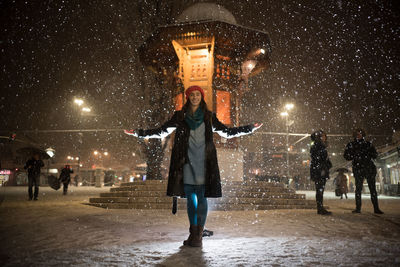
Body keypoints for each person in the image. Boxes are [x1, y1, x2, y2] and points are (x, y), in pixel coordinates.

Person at [124, 85, 262, 247]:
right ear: (188, 97)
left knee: (202, 198)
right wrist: (139, 133)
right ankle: (194, 233)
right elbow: (161, 132)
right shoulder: (180, 116)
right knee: (191, 199)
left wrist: (249, 128)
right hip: (186, 163)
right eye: (192, 95)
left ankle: (197, 236)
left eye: (198, 94)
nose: (195, 97)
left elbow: (227, 132)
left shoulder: (209, 117)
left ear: (201, 97)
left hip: (204, 163)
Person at [344, 128, 383, 214]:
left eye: (360, 133)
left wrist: (367, 154)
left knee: (372, 189)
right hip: (358, 169)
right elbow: (346, 156)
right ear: (354, 135)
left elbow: (375, 155)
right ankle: (358, 208)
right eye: (357, 134)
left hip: (368, 168)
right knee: (358, 189)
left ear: (363, 135)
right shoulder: (351, 144)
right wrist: (354, 155)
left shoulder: (368, 144)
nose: (359, 135)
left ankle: (376, 208)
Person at [310, 130, 332, 215]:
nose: (324, 137)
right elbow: (319, 158)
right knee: (319, 189)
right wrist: (325, 165)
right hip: (319, 170)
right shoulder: (318, 146)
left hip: (319, 169)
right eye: (323, 136)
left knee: (320, 190)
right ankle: (320, 208)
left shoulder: (319, 146)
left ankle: (320, 207)